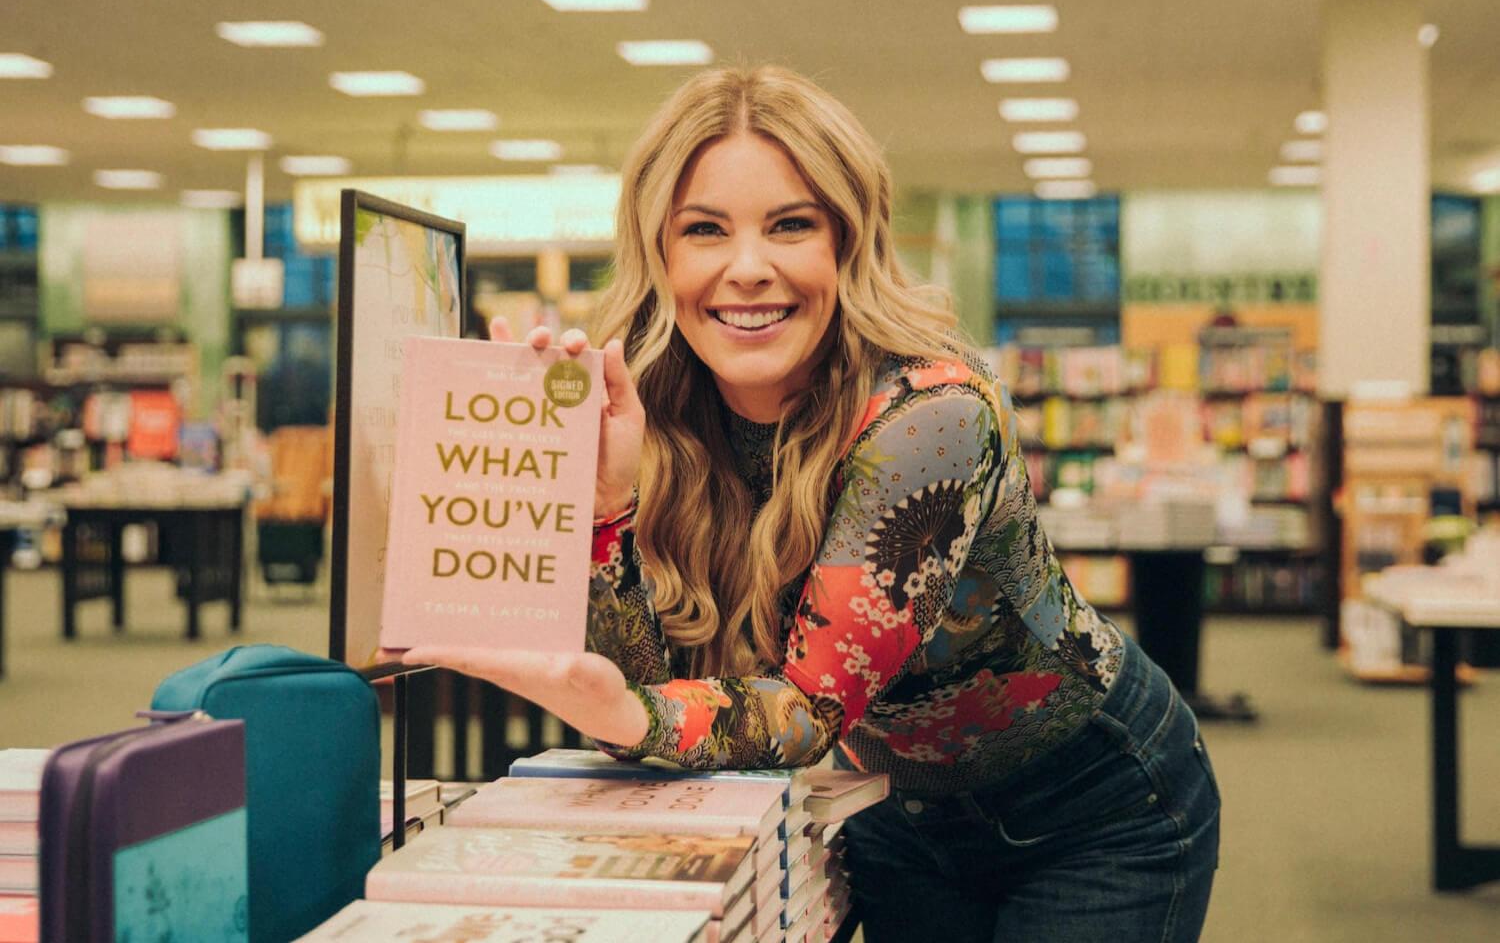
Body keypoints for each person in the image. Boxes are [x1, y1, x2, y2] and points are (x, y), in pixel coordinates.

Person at [403, 64, 1220, 942]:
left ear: (848, 241)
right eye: (704, 230)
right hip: (889, 809)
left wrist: (619, 710)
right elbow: (662, 703)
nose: (747, 270)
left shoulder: (932, 417)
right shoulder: (654, 406)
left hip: (1091, 808)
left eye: (791, 225)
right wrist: (605, 505)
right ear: (660, 252)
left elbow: (800, 710)